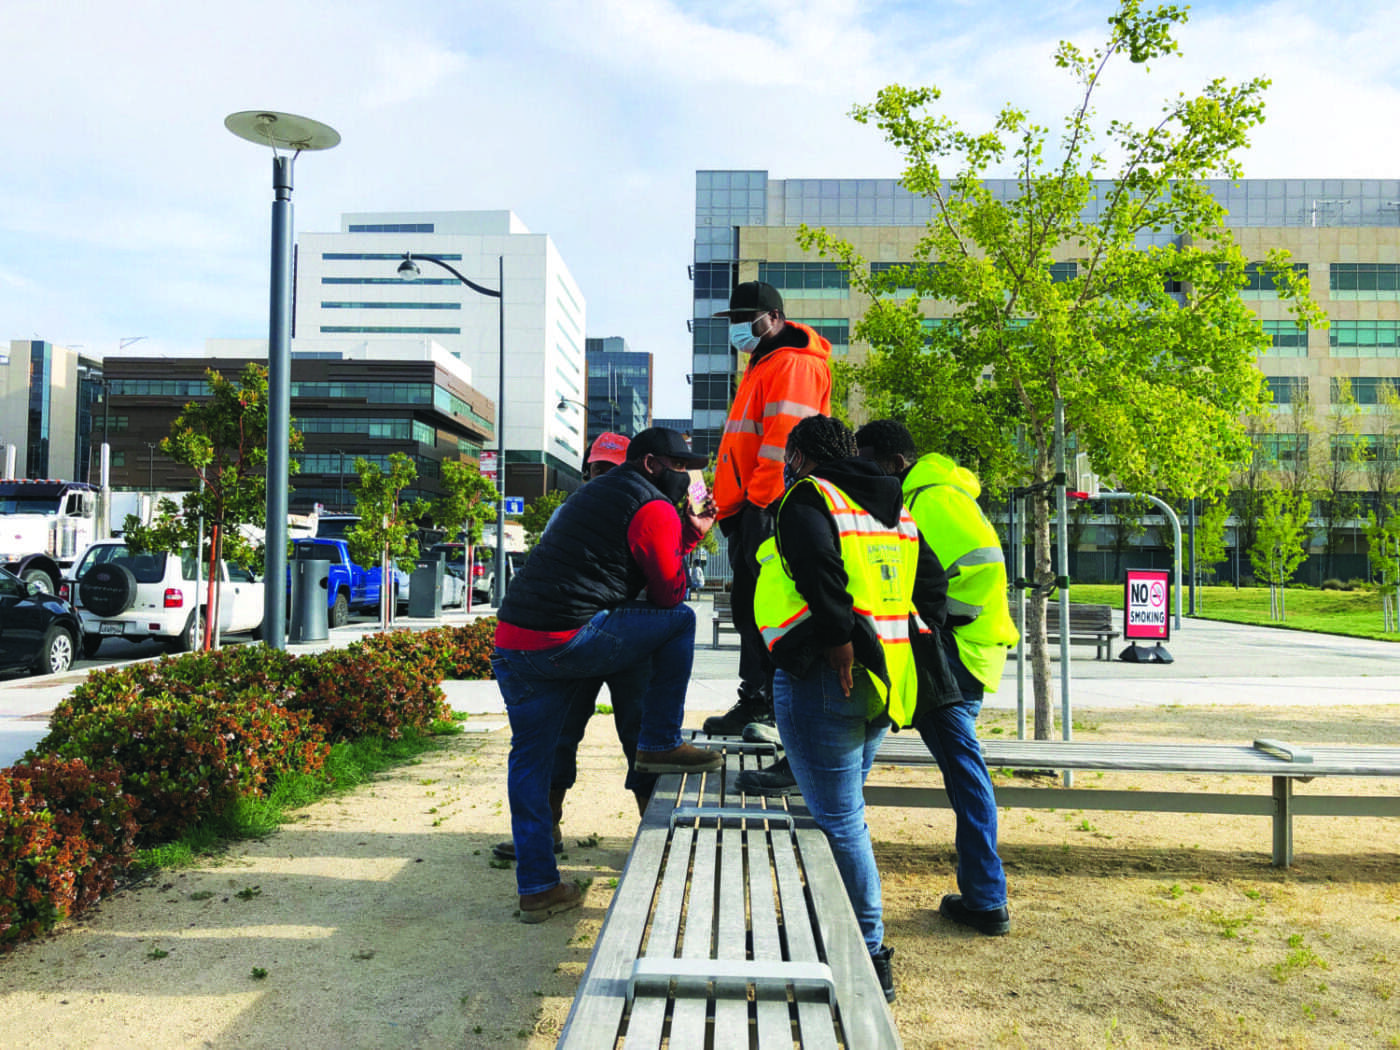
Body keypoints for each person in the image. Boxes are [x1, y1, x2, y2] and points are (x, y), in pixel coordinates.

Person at [752, 415, 950, 1002]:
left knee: (840, 820)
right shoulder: (897, 509)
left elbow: (818, 569)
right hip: (883, 681)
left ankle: (867, 951)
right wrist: (912, 636)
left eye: (790, 456)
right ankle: (836, 928)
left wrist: (840, 635)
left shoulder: (808, 498)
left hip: (822, 676)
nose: (787, 467)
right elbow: (931, 586)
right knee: (842, 812)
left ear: (804, 456)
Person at [492, 427, 722, 923]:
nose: (686, 477)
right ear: (649, 465)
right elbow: (669, 595)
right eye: (678, 466)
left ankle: (537, 886)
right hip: (575, 638)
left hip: (515, 643)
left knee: (531, 760)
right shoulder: (654, 507)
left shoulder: (589, 496)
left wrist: (682, 533)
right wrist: (692, 538)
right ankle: (661, 741)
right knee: (682, 622)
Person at [855, 419, 1018, 937]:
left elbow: (984, 565)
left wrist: (936, 620)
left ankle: (987, 898)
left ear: (891, 461)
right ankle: (983, 896)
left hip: (955, 652)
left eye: (866, 461)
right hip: (958, 648)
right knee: (876, 739)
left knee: (960, 769)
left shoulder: (930, 496)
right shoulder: (927, 492)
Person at [490, 432, 658, 862]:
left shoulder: (652, 509)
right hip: (578, 635)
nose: (603, 477)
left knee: (640, 734)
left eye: (614, 469)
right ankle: (547, 828)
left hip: (629, 638)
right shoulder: (569, 512)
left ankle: (653, 833)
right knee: (561, 731)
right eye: (598, 469)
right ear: (586, 473)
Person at [704, 281, 832, 736]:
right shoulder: (766, 362)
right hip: (752, 506)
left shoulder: (793, 363)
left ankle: (774, 709)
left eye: (746, 319)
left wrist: (759, 506)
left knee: (769, 609)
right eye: (734, 320)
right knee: (751, 609)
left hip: (770, 505)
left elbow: (782, 442)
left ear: (775, 317)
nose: (738, 329)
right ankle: (757, 701)